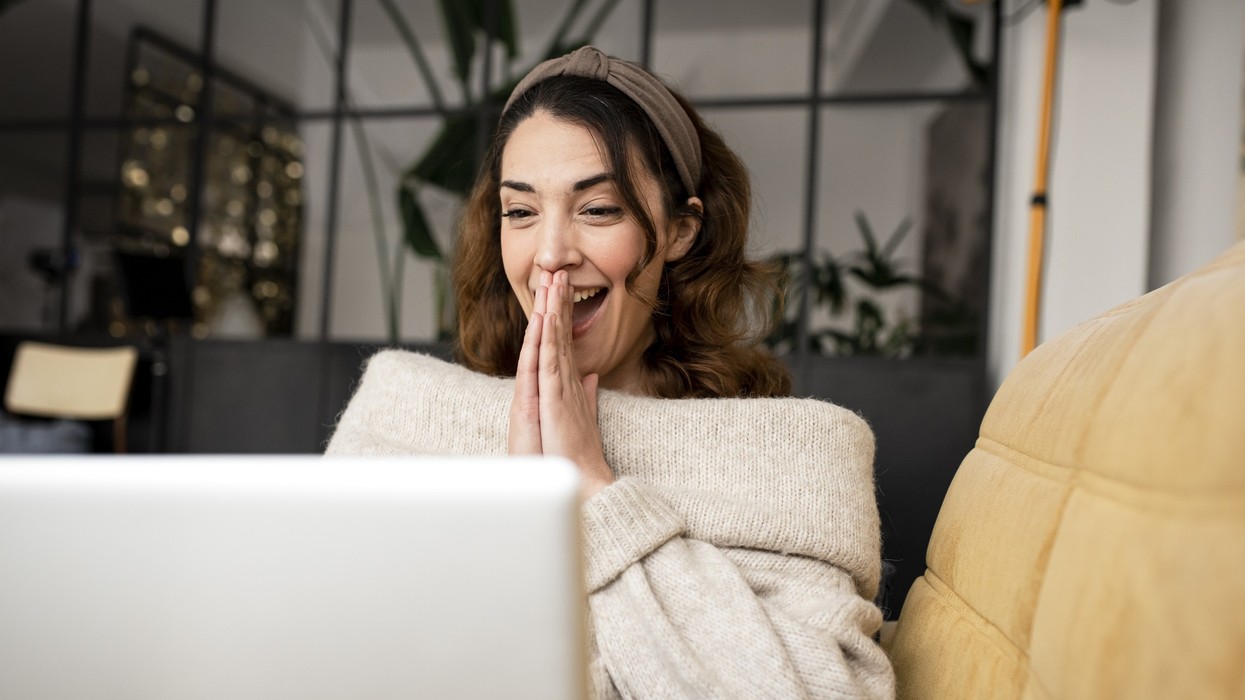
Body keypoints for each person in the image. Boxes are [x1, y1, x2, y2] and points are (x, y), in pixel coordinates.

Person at [328, 46, 895, 699]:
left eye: (598, 209)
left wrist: (593, 491)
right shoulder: (407, 411)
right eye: (520, 211)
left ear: (680, 229)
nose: (549, 254)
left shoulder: (796, 457)